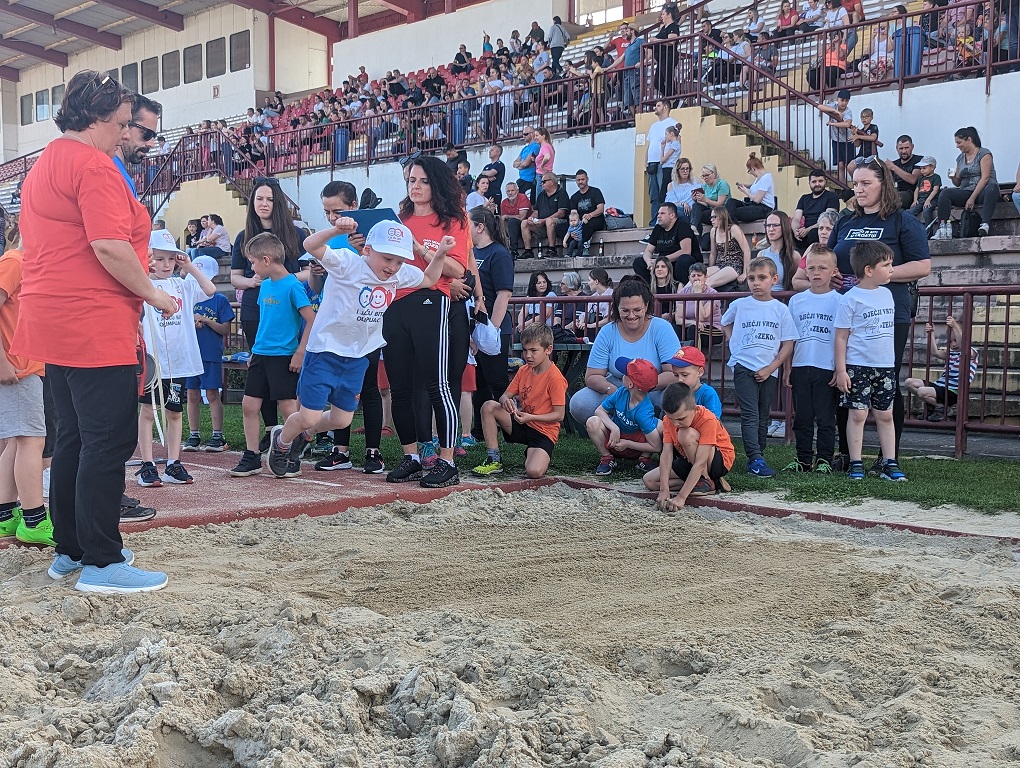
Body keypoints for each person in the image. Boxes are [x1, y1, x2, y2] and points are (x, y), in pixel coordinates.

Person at [12, 71, 178, 593]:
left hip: (54, 315)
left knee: (74, 440)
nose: (126, 134)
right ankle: (103, 560)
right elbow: (108, 245)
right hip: (92, 318)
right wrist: (154, 294)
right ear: (99, 118)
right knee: (107, 439)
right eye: (124, 124)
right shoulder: (93, 165)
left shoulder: (44, 164)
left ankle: (73, 549)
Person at [268, 220, 451, 478]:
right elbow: (309, 244)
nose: (393, 267)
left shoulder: (399, 275)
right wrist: (336, 231)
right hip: (325, 351)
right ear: (367, 250)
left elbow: (431, 277)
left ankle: (303, 434)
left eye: (399, 261)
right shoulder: (347, 263)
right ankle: (283, 441)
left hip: (357, 357)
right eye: (387, 258)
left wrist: (440, 252)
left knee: (342, 420)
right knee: (308, 416)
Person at [829, 156, 931, 471]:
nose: (858, 190)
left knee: (886, 380)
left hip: (890, 313)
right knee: (846, 380)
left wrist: (883, 275)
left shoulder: (902, 221)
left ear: (882, 184)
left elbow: (922, 266)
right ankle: (848, 454)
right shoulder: (846, 221)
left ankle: (889, 458)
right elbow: (834, 257)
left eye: (865, 183)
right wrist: (833, 273)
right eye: (856, 184)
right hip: (849, 309)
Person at [384, 155, 475, 489]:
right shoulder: (400, 218)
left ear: (436, 183)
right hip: (395, 302)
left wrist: (421, 248)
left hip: (430, 301)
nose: (416, 187)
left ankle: (447, 461)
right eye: (411, 180)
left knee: (438, 384)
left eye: (422, 180)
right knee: (399, 388)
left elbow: (457, 270)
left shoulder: (453, 219)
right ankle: (411, 456)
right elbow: (386, 261)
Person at [230, 178, 308, 454]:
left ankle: (292, 441)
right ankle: (267, 437)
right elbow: (235, 277)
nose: (263, 204)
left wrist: (281, 280)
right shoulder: (244, 236)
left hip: (286, 311)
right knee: (256, 389)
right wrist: (252, 282)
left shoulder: (295, 235)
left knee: (285, 389)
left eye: (269, 199)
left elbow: (309, 273)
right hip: (258, 310)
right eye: (259, 199)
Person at [229, 234, 315, 477]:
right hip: (260, 353)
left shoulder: (292, 286)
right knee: (249, 404)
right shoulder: (265, 284)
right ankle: (252, 455)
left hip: (283, 355)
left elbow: (311, 319)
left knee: (288, 406)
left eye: (253, 263)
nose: (252, 268)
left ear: (266, 260)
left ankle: (291, 453)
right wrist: (254, 351)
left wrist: (300, 352)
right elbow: (267, 321)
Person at [135, 230, 217, 487]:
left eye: (171, 259)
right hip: (153, 361)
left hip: (178, 361)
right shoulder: (143, 286)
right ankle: (147, 464)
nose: (166, 264)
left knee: (174, 411)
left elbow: (210, 289)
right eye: (159, 259)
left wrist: (189, 265)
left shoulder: (182, 285)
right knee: (148, 411)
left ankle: (173, 462)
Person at [834, 241, 906, 482]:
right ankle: (856, 462)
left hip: (885, 366)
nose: (891, 269)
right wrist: (842, 370)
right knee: (858, 415)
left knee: (886, 414)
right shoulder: (850, 299)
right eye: (886, 265)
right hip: (858, 367)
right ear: (868, 270)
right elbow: (841, 337)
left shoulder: (887, 294)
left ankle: (890, 462)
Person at [721, 256, 798, 477]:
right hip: (744, 365)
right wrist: (735, 344)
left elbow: (788, 343)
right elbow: (725, 322)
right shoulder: (740, 305)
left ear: (774, 279)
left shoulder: (780, 310)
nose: (756, 283)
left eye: (762, 278)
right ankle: (754, 457)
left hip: (769, 369)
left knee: (763, 413)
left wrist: (772, 367)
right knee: (750, 413)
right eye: (752, 278)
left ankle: (759, 454)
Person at [569, 277, 678, 424]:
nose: (631, 316)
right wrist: (614, 392)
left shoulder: (661, 328)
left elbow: (673, 374)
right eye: (625, 310)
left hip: (654, 389)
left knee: (676, 398)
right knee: (579, 403)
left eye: (637, 310)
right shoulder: (607, 331)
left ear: (646, 306)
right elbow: (592, 376)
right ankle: (619, 427)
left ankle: (653, 430)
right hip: (617, 386)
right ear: (617, 308)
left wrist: (642, 386)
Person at [0, 223, 48, 547]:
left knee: (18, 442)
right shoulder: (15, 261)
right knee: (32, 441)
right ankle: (34, 519)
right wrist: (2, 360)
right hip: (18, 366)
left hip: (24, 364)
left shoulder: (21, 263)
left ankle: (6, 516)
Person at [471, 323, 567, 479]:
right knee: (489, 406)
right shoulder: (523, 370)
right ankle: (493, 458)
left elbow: (559, 415)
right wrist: (505, 401)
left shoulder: (555, 378)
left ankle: (534, 452)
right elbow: (504, 396)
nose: (528, 355)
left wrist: (531, 417)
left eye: (533, 351)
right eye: (525, 350)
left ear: (548, 350)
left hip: (543, 432)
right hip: (522, 422)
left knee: (533, 472)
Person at [784, 244, 841, 473]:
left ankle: (825, 460)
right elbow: (790, 338)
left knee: (826, 418)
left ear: (833, 271)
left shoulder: (840, 301)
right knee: (803, 417)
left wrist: (840, 368)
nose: (816, 273)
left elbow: (842, 338)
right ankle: (803, 459)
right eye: (812, 268)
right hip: (801, 365)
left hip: (826, 366)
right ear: (805, 270)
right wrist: (788, 367)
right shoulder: (797, 301)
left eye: (822, 268)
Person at [644, 382, 735, 507]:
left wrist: (681, 497)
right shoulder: (668, 420)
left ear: (695, 409)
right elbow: (666, 454)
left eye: (681, 418)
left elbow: (701, 462)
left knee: (685, 434)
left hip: (717, 461)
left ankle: (706, 480)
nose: (675, 423)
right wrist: (664, 490)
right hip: (688, 458)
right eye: (671, 418)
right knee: (649, 481)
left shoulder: (707, 419)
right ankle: (705, 483)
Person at [470, 207, 515, 442]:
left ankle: (511, 429)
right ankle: (480, 431)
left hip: (494, 327)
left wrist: (492, 330)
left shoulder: (498, 254)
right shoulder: (471, 252)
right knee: (477, 381)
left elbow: (503, 295)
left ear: (480, 226)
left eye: (468, 222)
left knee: (496, 381)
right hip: (474, 325)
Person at [183, 255, 234, 453]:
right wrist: (192, 323)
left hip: (210, 353)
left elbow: (224, 330)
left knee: (212, 393)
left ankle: (217, 435)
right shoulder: (189, 298)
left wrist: (207, 321)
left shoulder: (219, 300)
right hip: (191, 353)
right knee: (192, 394)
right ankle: (193, 434)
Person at [587, 357, 663, 475]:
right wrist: (614, 427)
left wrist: (627, 444)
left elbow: (657, 446)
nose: (622, 375)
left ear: (631, 383)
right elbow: (600, 411)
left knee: (660, 425)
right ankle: (607, 457)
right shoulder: (622, 392)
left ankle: (644, 459)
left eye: (625, 373)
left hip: (636, 448)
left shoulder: (644, 411)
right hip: (614, 441)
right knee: (593, 422)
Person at [932, 126, 999, 240]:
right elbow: (958, 183)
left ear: (969, 139)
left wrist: (972, 198)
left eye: (959, 142)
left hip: (983, 191)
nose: (957, 146)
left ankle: (985, 223)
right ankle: (942, 228)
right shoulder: (960, 158)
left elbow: (985, 177)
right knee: (945, 193)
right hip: (966, 190)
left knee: (992, 187)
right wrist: (953, 178)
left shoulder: (984, 154)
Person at [905, 316, 976, 422]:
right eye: (950, 341)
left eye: (956, 340)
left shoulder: (971, 353)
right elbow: (935, 352)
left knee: (921, 391)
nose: (953, 344)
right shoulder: (950, 353)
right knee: (909, 382)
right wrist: (932, 334)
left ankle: (941, 408)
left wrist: (955, 326)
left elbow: (964, 346)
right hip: (941, 386)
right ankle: (939, 406)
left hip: (953, 391)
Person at [633, 202, 700, 286]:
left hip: (679, 262)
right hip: (664, 263)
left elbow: (686, 251)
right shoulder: (658, 228)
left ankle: (683, 291)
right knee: (638, 262)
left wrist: (662, 260)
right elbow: (648, 251)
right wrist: (648, 262)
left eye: (662, 213)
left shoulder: (682, 226)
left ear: (672, 215)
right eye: (658, 213)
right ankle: (649, 291)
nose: (658, 216)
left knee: (684, 260)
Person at [667, 345, 723, 417]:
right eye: (676, 375)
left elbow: (714, 422)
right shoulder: (674, 392)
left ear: (699, 372)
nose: (679, 380)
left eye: (684, 375)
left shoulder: (708, 394)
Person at [675, 263, 724, 347]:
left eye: (699, 275)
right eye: (693, 276)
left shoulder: (713, 294)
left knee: (693, 330)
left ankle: (693, 358)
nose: (696, 278)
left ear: (705, 277)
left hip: (712, 329)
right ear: (689, 278)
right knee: (673, 329)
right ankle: (675, 357)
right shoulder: (682, 293)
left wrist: (698, 294)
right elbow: (678, 319)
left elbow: (701, 317)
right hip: (693, 326)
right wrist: (693, 322)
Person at [522, 173, 570, 257]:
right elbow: (536, 211)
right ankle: (528, 251)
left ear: (551, 182)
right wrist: (532, 217)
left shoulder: (562, 193)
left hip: (559, 225)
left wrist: (543, 221)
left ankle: (552, 249)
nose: (541, 184)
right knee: (524, 223)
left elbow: (561, 213)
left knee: (549, 221)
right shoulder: (541, 195)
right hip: (542, 225)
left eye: (543, 181)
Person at [793, 169, 840, 249]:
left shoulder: (832, 197)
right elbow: (796, 218)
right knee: (788, 232)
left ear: (825, 181)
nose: (817, 184)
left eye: (820, 181)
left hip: (819, 229)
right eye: (814, 182)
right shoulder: (804, 198)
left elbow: (829, 219)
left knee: (813, 233)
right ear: (809, 183)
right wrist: (795, 231)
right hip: (804, 231)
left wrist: (807, 230)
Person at [706, 207, 751, 290]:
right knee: (698, 279)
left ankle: (698, 303)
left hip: (734, 265)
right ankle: (680, 301)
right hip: (720, 264)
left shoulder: (733, 229)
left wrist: (745, 273)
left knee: (708, 283)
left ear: (721, 216)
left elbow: (746, 250)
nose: (711, 220)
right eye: (710, 217)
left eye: (714, 217)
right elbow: (713, 253)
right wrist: (710, 268)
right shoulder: (713, 231)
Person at [645, 100, 674, 225]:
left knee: (663, 195)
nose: (655, 108)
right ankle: (653, 223)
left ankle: (664, 221)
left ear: (666, 107)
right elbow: (649, 145)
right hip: (651, 164)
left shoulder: (673, 123)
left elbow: (676, 144)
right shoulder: (653, 126)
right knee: (653, 196)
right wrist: (646, 162)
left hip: (664, 163)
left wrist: (665, 160)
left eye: (658, 105)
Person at [817, 89, 854, 182]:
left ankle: (856, 183)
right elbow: (820, 106)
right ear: (837, 99)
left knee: (850, 166)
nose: (844, 103)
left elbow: (847, 124)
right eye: (842, 100)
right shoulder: (833, 105)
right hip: (836, 140)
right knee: (840, 165)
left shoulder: (848, 112)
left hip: (848, 141)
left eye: (846, 101)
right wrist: (835, 112)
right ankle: (843, 188)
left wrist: (833, 124)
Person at [727, 152, 776, 223]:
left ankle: (732, 229)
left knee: (733, 212)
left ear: (753, 169)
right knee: (731, 202)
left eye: (749, 171)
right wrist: (743, 185)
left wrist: (745, 191)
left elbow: (757, 199)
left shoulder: (766, 178)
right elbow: (753, 186)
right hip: (753, 205)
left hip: (763, 208)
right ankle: (731, 227)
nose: (750, 173)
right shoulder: (759, 178)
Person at [759, 211, 799, 291]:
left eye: (775, 225)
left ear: (784, 227)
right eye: (768, 225)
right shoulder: (761, 254)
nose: (771, 229)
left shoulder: (794, 256)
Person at [569, 169, 607, 252]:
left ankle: (583, 246)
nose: (580, 182)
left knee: (587, 224)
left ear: (587, 179)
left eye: (582, 179)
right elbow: (573, 214)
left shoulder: (595, 192)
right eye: (578, 180)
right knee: (563, 226)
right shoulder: (574, 197)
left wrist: (590, 215)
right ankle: (575, 247)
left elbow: (600, 209)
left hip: (596, 219)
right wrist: (573, 227)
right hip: (580, 221)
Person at [885, 135, 924, 210]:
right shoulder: (893, 163)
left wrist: (893, 167)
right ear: (896, 148)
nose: (903, 151)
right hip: (895, 191)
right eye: (901, 148)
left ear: (912, 147)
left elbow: (913, 180)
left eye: (906, 148)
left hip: (911, 193)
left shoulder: (919, 160)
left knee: (893, 198)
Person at [690, 163, 730, 233]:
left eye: (707, 175)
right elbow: (705, 204)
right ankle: (693, 226)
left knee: (700, 216)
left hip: (721, 212)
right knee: (696, 206)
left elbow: (720, 204)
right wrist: (697, 200)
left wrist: (705, 199)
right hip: (710, 211)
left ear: (714, 174)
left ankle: (696, 233)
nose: (705, 178)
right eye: (703, 176)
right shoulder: (704, 186)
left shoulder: (722, 184)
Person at [652, 5, 681, 99]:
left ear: (669, 15)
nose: (662, 16)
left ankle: (673, 98)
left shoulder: (673, 27)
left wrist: (655, 40)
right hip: (661, 58)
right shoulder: (664, 28)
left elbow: (671, 42)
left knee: (668, 80)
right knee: (657, 82)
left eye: (663, 14)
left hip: (669, 56)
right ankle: (669, 97)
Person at [905, 156, 942, 227]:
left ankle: (928, 229)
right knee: (910, 211)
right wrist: (915, 200)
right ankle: (913, 228)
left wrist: (928, 200)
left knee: (926, 211)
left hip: (931, 199)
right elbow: (917, 190)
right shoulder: (921, 178)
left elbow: (935, 190)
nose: (922, 170)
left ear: (932, 167)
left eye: (924, 168)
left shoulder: (936, 177)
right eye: (921, 168)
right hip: (921, 199)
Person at [500, 181, 532, 256]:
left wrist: (508, 216)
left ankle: (514, 250)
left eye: (512, 190)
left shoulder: (523, 197)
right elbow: (503, 219)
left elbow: (522, 217)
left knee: (512, 221)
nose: (510, 193)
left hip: (527, 225)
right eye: (508, 191)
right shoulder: (504, 203)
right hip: (512, 229)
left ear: (517, 191)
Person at [513, 126, 540, 202]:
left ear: (531, 135)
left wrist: (522, 164)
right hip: (522, 180)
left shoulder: (535, 146)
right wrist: (523, 163)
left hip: (530, 180)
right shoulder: (524, 148)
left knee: (529, 203)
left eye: (525, 134)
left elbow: (526, 163)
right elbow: (514, 163)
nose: (523, 136)